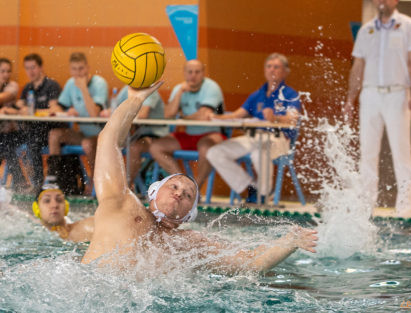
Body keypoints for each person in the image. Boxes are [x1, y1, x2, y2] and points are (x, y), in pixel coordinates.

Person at [82, 82, 318, 273]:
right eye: (173, 185)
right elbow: (108, 140)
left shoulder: (190, 244)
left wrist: (290, 242)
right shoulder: (121, 202)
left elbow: (250, 264)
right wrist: (135, 100)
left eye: (188, 195)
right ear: (153, 192)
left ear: (188, 216)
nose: (179, 193)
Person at [343, 0, 411, 217]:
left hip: (397, 94)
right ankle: (365, 207)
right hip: (369, 95)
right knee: (367, 153)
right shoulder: (366, 29)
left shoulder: (408, 25)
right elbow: (357, 66)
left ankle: (404, 210)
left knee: (401, 152)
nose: (381, 1)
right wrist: (351, 99)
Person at [206, 53, 301, 203]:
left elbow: (293, 119)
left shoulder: (290, 94)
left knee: (259, 152)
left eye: (276, 67)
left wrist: (276, 118)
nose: (272, 70)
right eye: (269, 67)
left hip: (278, 139)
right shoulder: (257, 94)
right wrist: (213, 116)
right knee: (215, 152)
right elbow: (237, 115)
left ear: (285, 72)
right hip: (253, 136)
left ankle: (263, 195)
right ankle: (251, 188)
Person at [149, 59, 225, 190]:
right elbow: (168, 114)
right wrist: (179, 94)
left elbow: (204, 114)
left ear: (203, 73)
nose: (193, 75)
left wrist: (184, 116)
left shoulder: (212, 87)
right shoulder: (180, 88)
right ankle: (183, 184)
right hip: (189, 134)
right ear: (184, 73)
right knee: (155, 147)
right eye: (190, 72)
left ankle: (194, 189)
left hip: (212, 134)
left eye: (197, 72)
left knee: (206, 148)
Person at [48, 52, 108, 194]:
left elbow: (94, 113)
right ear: (70, 70)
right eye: (74, 69)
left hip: (101, 135)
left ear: (87, 68)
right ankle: (53, 178)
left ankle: (94, 183)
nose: (78, 73)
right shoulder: (70, 83)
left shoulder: (100, 83)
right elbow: (59, 106)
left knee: (88, 143)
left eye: (81, 68)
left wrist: (83, 88)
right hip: (82, 134)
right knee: (54, 134)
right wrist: (61, 110)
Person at [99, 85, 169, 189]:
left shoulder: (151, 92)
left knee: (134, 148)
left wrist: (120, 114)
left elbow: (142, 114)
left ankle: (126, 186)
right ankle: (108, 185)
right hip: (138, 134)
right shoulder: (126, 89)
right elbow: (115, 108)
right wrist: (108, 112)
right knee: (108, 144)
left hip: (156, 135)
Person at [15, 53, 64, 193]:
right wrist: (20, 108)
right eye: (27, 68)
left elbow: (55, 108)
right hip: (32, 130)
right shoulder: (27, 87)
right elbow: (20, 104)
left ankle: (37, 184)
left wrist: (34, 111)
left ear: (41, 67)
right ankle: (20, 182)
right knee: (9, 141)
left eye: (33, 67)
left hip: (48, 131)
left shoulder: (51, 85)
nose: (30, 71)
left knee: (32, 142)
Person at [31, 177, 94, 242]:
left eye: (59, 200)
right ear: (36, 208)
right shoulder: (31, 232)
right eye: (47, 201)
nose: (54, 205)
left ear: (66, 206)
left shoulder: (84, 229)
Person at [0, 57, 27, 190]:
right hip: (3, 135)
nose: (6, 74)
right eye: (2, 71)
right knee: (3, 143)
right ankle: (19, 181)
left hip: (16, 132)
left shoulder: (13, 86)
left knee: (4, 143)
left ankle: (20, 181)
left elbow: (4, 97)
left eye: (8, 71)